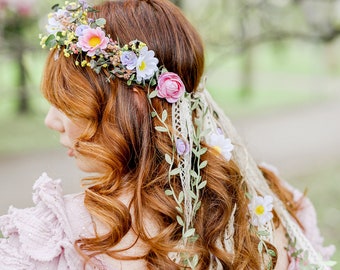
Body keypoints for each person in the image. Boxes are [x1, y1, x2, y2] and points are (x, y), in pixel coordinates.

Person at [0, 0, 336, 269]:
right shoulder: (273, 205)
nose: (50, 120)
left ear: (127, 105)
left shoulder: (48, 243)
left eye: (67, 102)